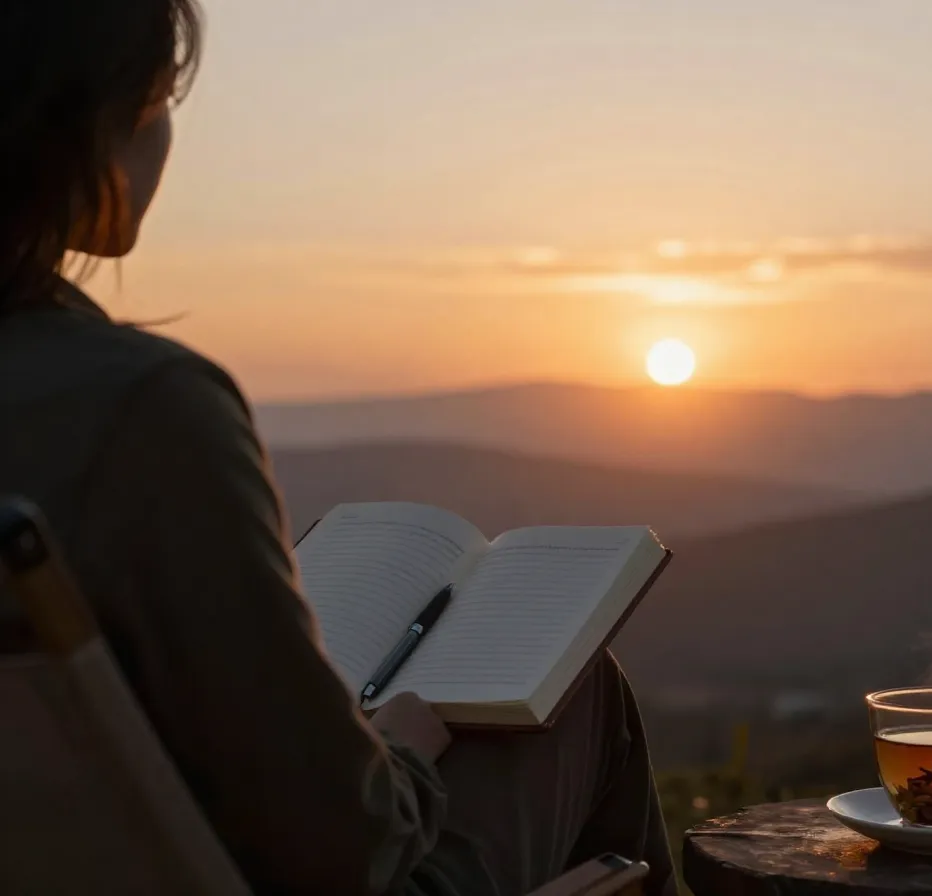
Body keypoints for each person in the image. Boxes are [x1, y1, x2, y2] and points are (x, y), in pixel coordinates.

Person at [0, 2, 676, 895]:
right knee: (577, 685)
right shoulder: (142, 410)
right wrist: (395, 751)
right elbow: (345, 849)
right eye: (159, 98)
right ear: (86, 121)